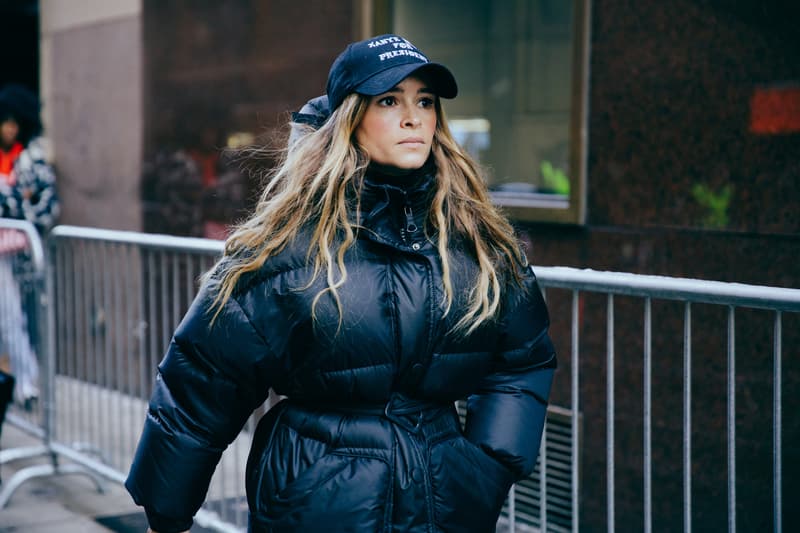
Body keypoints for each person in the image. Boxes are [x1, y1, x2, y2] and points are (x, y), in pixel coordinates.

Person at [125, 34, 556, 533]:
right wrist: (167, 507)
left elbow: (524, 358)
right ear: (350, 118)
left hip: (446, 500)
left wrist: (486, 465)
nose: (413, 117)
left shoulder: (479, 237)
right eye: (389, 100)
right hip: (318, 502)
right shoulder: (286, 243)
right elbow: (201, 379)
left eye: (425, 102)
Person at [0, 84, 59, 408]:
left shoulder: (31, 159)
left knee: (14, 318)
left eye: (14, 121)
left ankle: (26, 383)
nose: (10, 127)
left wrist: (9, 201)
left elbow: (44, 209)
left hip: (18, 257)